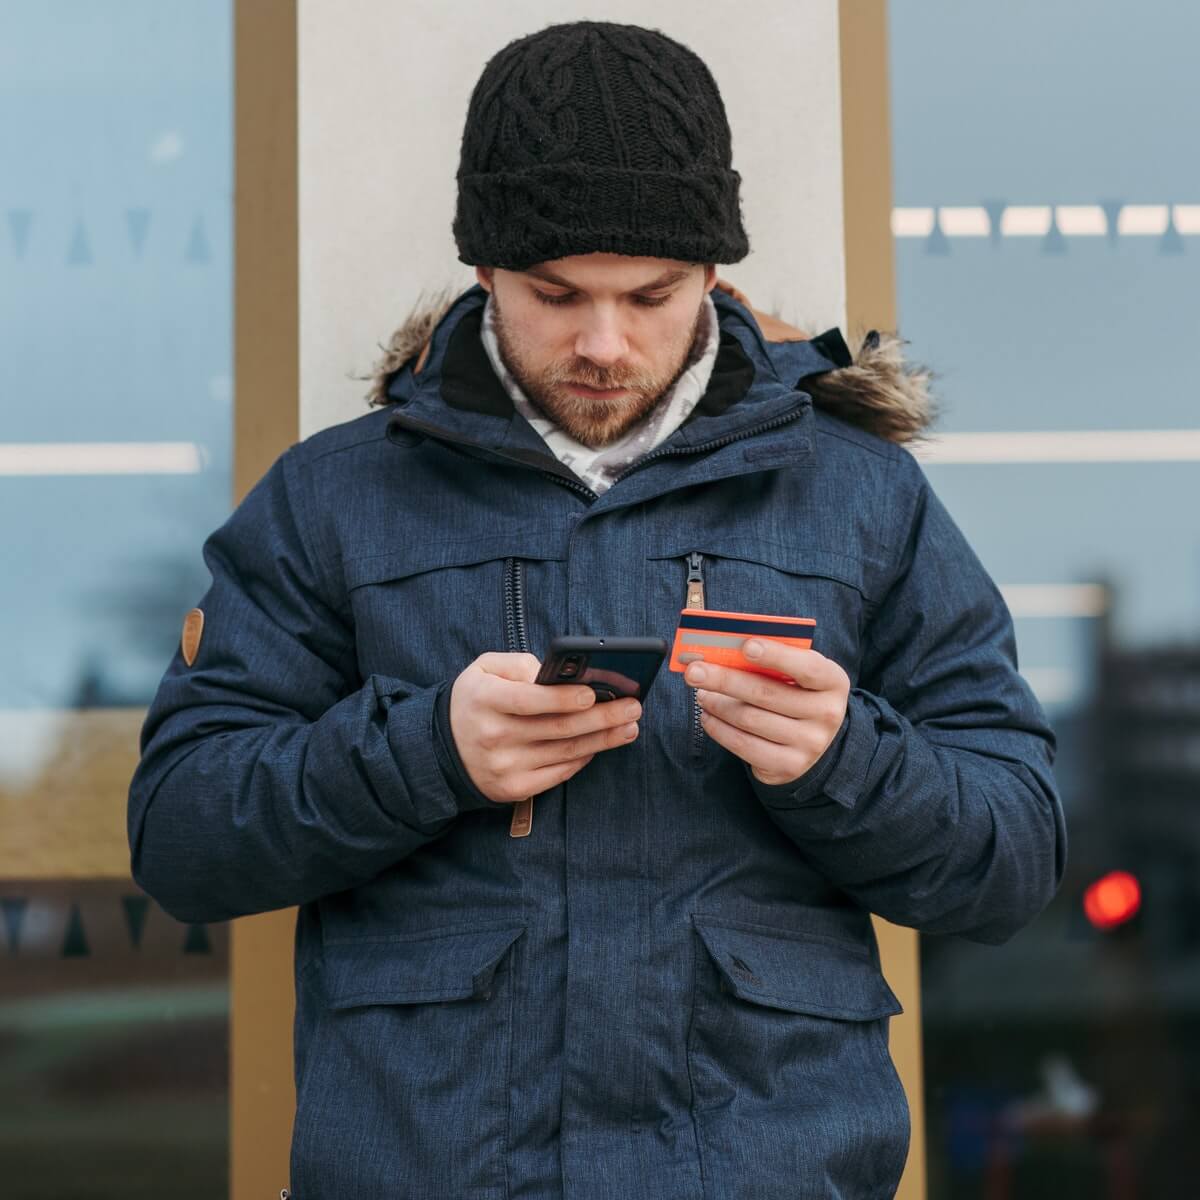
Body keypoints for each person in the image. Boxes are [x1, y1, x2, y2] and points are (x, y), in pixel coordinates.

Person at [128, 19, 1066, 1199]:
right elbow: (180, 837)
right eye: (556, 293)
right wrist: (426, 752)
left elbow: (1015, 855)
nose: (604, 343)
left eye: (651, 294)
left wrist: (846, 762)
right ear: (483, 270)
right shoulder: (330, 499)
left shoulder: (864, 500)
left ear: (715, 275)